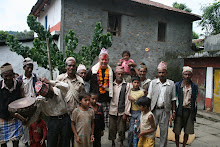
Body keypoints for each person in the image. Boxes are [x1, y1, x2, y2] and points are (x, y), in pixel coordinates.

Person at [35, 79, 71, 147]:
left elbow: (67, 87)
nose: (50, 96)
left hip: (65, 118)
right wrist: (28, 122)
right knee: (51, 142)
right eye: (47, 96)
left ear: (50, 87)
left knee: (65, 142)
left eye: (50, 93)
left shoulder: (59, 89)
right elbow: (36, 114)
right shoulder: (41, 99)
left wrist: (50, 82)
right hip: (53, 120)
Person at [147, 61, 176, 147]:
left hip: (165, 110)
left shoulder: (171, 83)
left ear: (166, 73)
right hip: (154, 110)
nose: (161, 74)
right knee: (152, 130)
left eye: (163, 72)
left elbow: (173, 99)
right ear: (157, 73)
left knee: (164, 131)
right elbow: (149, 97)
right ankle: (151, 145)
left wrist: (173, 111)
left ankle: (162, 145)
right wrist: (148, 110)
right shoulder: (153, 82)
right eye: (159, 72)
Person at [85, 48, 115, 127]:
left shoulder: (111, 71)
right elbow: (85, 79)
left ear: (108, 61)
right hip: (94, 100)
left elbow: (114, 82)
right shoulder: (93, 70)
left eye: (106, 60)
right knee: (94, 120)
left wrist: (107, 86)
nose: (104, 62)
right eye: (102, 60)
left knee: (104, 121)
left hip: (106, 100)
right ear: (99, 60)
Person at [0, 63, 24, 147]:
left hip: (15, 118)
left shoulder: (19, 84)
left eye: (10, 75)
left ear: (13, 75)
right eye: (6, 76)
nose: (9, 78)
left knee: (16, 142)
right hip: (2, 119)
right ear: (2, 76)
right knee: (2, 143)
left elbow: (23, 99)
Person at [173, 66, 198, 147]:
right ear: (182, 75)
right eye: (185, 74)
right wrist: (173, 111)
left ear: (192, 75)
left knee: (187, 130)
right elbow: (174, 99)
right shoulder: (177, 85)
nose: (187, 76)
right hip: (179, 110)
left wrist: (194, 113)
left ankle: (183, 145)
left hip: (189, 111)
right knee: (177, 130)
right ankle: (177, 145)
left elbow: (194, 100)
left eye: (189, 74)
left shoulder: (194, 86)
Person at [17, 57, 39, 147]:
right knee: (25, 124)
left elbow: (37, 89)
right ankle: (26, 143)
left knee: (35, 124)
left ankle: (35, 141)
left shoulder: (35, 77)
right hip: (24, 105)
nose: (30, 69)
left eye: (31, 67)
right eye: (28, 67)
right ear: (24, 68)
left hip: (34, 103)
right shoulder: (19, 80)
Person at [108, 66, 131, 147]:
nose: (120, 75)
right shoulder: (111, 85)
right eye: (118, 74)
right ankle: (113, 142)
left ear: (124, 74)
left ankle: (121, 142)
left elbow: (127, 100)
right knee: (111, 128)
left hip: (122, 111)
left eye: (122, 74)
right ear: (115, 74)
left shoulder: (127, 85)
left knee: (121, 129)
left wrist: (126, 113)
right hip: (112, 110)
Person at [128, 76, 145, 147]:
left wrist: (134, 99)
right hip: (131, 112)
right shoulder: (129, 91)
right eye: (135, 82)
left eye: (138, 82)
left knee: (138, 130)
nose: (136, 84)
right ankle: (130, 144)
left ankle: (138, 144)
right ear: (132, 83)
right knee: (131, 130)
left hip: (139, 112)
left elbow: (142, 103)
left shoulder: (141, 92)